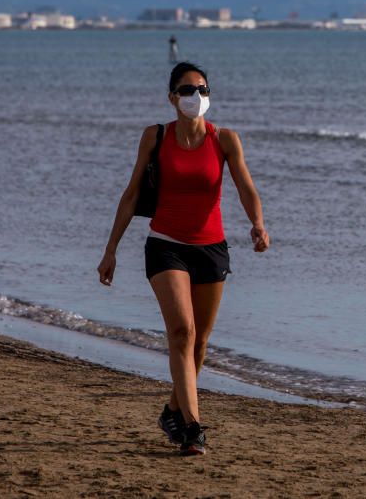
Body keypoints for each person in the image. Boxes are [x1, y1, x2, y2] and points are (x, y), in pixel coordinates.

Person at [97, 61, 270, 455]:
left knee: (200, 344)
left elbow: (246, 186)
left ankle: (173, 409)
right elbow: (131, 193)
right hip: (165, 244)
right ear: (172, 97)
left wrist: (258, 224)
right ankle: (192, 428)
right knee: (182, 333)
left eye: (203, 90)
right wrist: (111, 250)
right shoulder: (155, 137)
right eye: (189, 91)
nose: (197, 97)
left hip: (212, 249)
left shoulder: (225, 139)